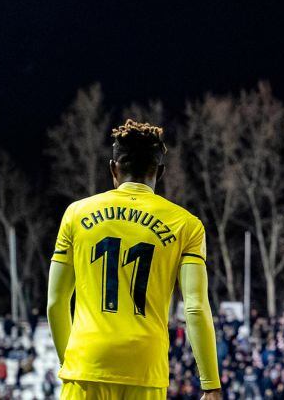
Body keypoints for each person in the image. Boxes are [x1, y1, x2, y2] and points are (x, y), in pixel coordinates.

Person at [46, 120, 221, 399]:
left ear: (113, 169)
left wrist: (70, 362)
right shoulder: (186, 224)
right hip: (145, 367)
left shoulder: (76, 214)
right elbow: (196, 308)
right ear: (159, 172)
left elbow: (56, 303)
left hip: (87, 362)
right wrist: (210, 383)